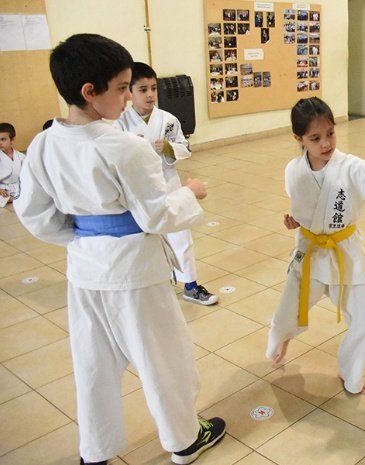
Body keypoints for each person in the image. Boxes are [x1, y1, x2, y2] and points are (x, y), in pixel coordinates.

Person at [14, 34, 225, 465]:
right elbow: (156, 217)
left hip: (86, 268)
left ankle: (95, 451)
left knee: (94, 365)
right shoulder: (122, 146)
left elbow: (34, 215)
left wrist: (81, 237)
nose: (129, 97)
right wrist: (190, 192)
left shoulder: (42, 144)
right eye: (123, 87)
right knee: (163, 359)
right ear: (90, 92)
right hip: (135, 271)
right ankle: (184, 439)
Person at [266, 97, 365, 394]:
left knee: (362, 320)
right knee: (289, 309)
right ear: (299, 139)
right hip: (309, 251)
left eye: (330, 133)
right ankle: (281, 338)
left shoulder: (351, 167)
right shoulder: (293, 170)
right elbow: (304, 207)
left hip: (345, 253)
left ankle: (351, 375)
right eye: (315, 138)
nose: (326, 143)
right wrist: (296, 221)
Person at [115, 62, 218, 306]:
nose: (150, 94)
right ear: (130, 92)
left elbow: (185, 147)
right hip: (138, 188)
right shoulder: (121, 124)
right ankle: (154, 284)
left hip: (168, 181)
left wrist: (169, 147)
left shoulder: (167, 120)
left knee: (181, 233)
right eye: (142, 89)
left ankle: (191, 285)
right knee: (145, 238)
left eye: (153, 88)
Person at [0, 122, 25, 206]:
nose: (0, 143)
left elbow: (27, 175)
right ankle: (15, 198)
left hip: (18, 186)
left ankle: (15, 198)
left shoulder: (21, 156)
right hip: (2, 189)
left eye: (3, 139)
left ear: (12, 139)